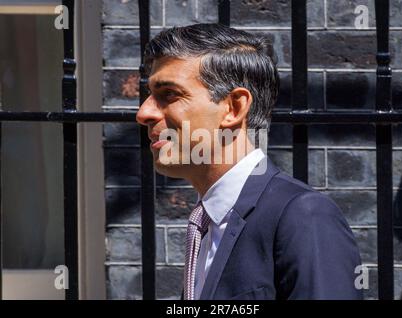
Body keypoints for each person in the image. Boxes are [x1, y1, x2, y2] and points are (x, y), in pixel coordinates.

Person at [136, 23, 363, 300]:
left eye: (169, 94)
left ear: (234, 108)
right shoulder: (207, 222)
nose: (144, 112)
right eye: (148, 96)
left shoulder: (303, 215)